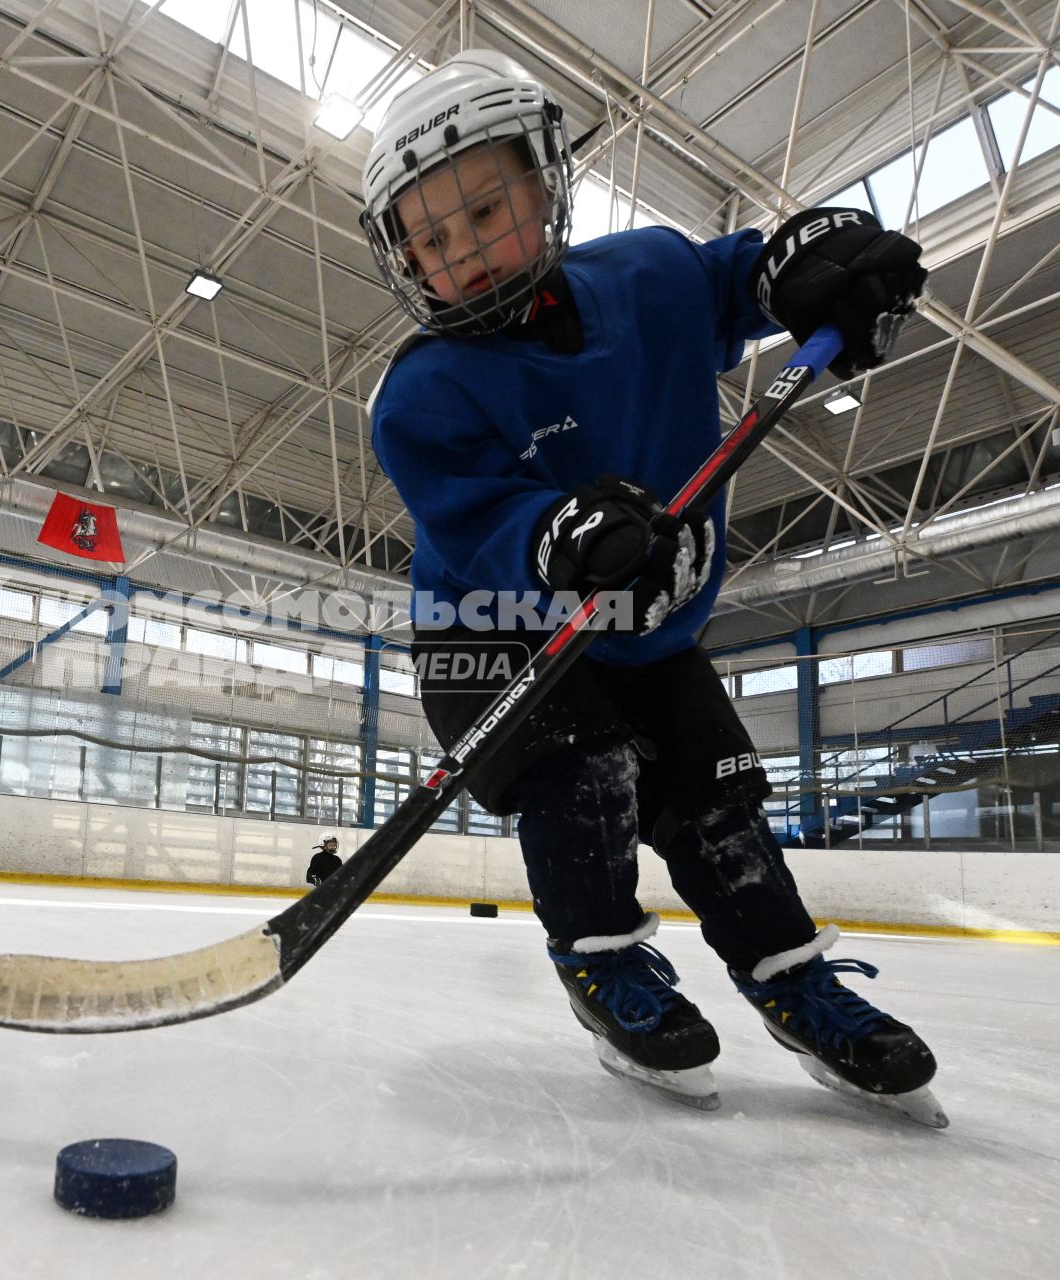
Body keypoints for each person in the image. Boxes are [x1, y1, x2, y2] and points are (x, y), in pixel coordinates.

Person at [360, 49, 941, 1120]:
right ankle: (603, 962)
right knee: (581, 767)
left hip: (644, 629)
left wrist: (811, 265)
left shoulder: (647, 274)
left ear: (544, 187)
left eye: (486, 210)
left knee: (715, 798)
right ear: (407, 262)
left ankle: (793, 980)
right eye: (432, 238)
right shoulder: (419, 394)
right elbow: (482, 521)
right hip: (489, 633)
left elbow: (742, 283)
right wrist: (562, 534)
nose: (465, 252)